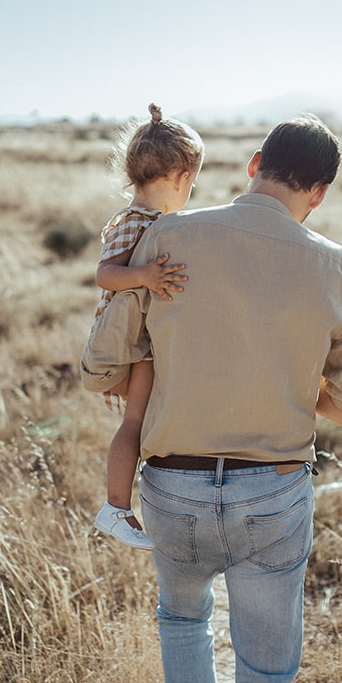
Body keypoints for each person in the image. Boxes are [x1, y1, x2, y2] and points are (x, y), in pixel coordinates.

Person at [81, 114, 342, 683]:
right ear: (320, 193)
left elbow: (98, 368)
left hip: (173, 485)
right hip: (273, 492)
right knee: (268, 679)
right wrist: (292, 383)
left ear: (253, 165)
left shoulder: (168, 235)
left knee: (184, 622)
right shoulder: (336, 266)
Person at [89, 103, 204, 550]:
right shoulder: (133, 222)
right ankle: (116, 508)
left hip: (148, 339)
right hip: (133, 345)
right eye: (191, 183)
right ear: (178, 178)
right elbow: (105, 274)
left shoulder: (156, 222)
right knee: (134, 421)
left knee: (149, 420)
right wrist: (146, 276)